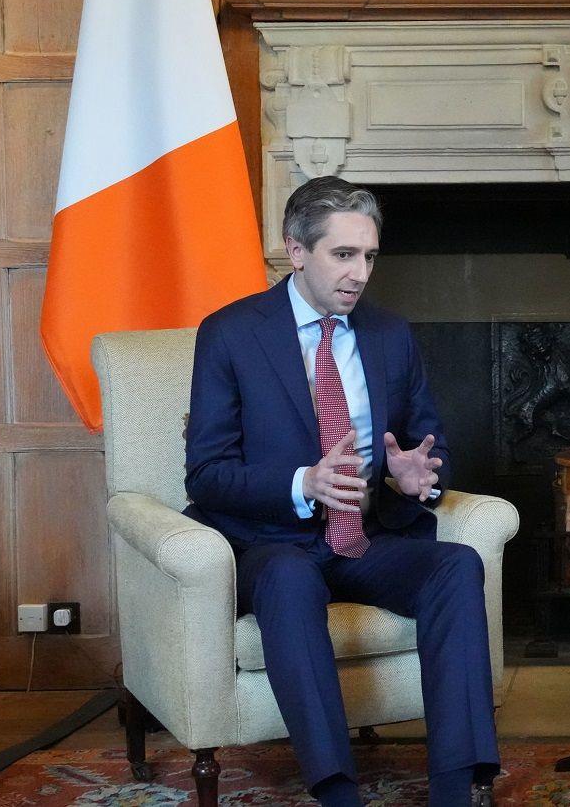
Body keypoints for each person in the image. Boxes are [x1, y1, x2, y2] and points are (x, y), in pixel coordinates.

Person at [184, 177, 498, 807]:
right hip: (274, 544)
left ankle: (455, 787)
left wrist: (417, 478)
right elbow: (206, 473)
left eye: (370, 256)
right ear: (295, 250)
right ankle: (337, 789)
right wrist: (304, 482)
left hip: (367, 537)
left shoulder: (389, 334)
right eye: (343, 255)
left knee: (457, 565)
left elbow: (426, 442)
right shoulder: (230, 334)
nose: (360, 273)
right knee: (290, 579)